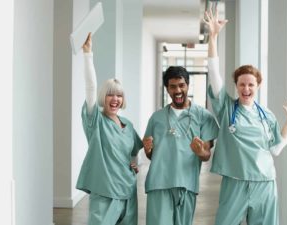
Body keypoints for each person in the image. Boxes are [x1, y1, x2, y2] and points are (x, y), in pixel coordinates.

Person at [204, 6, 287, 225]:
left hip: (265, 182)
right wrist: (213, 37)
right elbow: (214, 73)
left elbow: (276, 148)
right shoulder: (227, 108)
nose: (246, 89)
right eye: (242, 84)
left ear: (258, 86)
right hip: (235, 181)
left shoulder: (266, 115)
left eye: (251, 84)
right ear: (236, 86)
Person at [76, 33, 143, 225]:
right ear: (103, 97)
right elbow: (90, 87)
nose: (115, 99)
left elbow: (133, 151)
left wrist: (133, 164)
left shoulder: (128, 125)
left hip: (128, 190)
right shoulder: (95, 120)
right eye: (110, 95)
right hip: (105, 190)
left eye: (119, 95)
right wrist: (88, 54)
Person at [142, 66, 219, 225]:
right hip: (159, 183)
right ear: (167, 89)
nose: (177, 90)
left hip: (187, 184)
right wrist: (148, 150)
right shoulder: (156, 118)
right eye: (172, 86)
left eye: (181, 85)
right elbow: (151, 154)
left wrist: (200, 152)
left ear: (187, 85)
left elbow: (206, 155)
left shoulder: (203, 116)